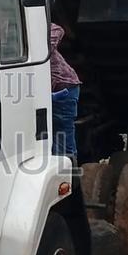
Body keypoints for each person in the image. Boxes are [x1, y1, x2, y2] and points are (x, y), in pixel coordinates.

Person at [50, 23, 81, 157]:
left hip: (64, 87)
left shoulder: (40, 28)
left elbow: (57, 29)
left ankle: (69, 173)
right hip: (57, 88)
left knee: (62, 135)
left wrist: (39, 44)